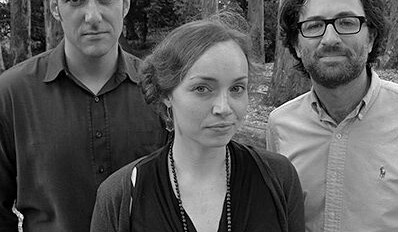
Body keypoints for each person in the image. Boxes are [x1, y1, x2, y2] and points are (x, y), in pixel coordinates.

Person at [0, 0, 167, 232]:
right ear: (54, 6)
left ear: (125, 2)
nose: (92, 16)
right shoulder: (12, 94)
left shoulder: (161, 90)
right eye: (75, 0)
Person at [90, 16, 305, 232]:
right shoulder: (121, 195)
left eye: (237, 88)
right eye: (202, 88)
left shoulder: (278, 178)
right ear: (167, 94)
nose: (224, 107)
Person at [266, 0, 398, 232]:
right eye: (314, 25)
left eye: (346, 22)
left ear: (371, 38)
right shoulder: (280, 126)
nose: (330, 38)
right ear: (297, 46)